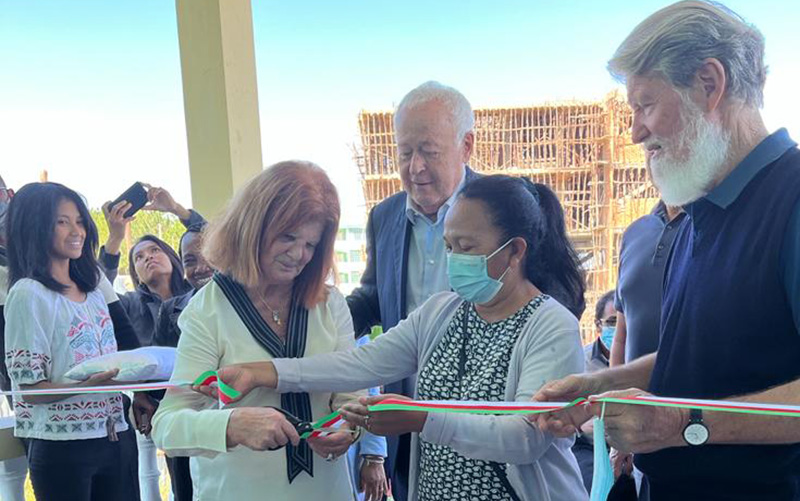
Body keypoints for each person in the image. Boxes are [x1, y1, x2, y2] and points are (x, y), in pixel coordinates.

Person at [535, 2, 800, 499]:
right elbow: (696, 356)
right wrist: (599, 385)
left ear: (709, 84)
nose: (635, 131)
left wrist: (681, 423)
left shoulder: (791, 198)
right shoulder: (701, 211)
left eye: (645, 105)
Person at [204, 175, 590, 501]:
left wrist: (420, 418)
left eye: (467, 248)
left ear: (515, 251)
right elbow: (360, 364)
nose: (454, 258)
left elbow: (526, 437)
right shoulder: (442, 313)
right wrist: (265, 372)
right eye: (449, 246)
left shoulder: (550, 326)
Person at [346, 81, 587, 501]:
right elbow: (372, 299)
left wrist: (503, 354)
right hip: (413, 434)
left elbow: (551, 295)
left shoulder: (503, 206)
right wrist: (314, 322)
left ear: (466, 146)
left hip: (497, 435)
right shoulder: (385, 216)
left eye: (429, 151)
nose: (415, 167)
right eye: (404, 152)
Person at [151, 161, 363, 500]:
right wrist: (231, 426)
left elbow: (351, 393)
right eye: (288, 237)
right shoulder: (207, 310)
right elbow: (166, 427)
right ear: (253, 227)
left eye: (311, 245)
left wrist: (348, 428)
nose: (298, 255)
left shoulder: (330, 304)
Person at [3, 182, 139, 501]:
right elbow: (30, 389)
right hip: (62, 449)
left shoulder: (93, 292)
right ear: (34, 227)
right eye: (61, 222)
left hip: (115, 435)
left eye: (79, 220)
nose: (76, 231)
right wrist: (90, 383)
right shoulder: (28, 294)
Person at [100, 185, 202, 501]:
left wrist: (177, 210)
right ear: (136, 273)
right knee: (183, 486)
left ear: (172, 257)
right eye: (139, 257)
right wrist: (115, 238)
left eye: (154, 250)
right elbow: (97, 287)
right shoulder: (130, 305)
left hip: (210, 396)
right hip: (164, 408)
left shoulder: (201, 292)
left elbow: (215, 243)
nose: (148, 258)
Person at [608, 201, 685, 497]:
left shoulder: (717, 227)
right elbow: (622, 336)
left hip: (700, 431)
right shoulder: (636, 232)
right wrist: (617, 430)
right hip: (639, 434)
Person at [152, 222, 213, 501]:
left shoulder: (248, 308)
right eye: (190, 260)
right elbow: (157, 370)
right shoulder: (170, 310)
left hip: (231, 423)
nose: (201, 267)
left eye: (209, 256)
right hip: (185, 419)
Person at [572, 290, 616, 493]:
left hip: (634, 446)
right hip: (590, 447)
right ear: (598, 325)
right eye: (612, 322)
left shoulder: (640, 360)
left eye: (624, 322)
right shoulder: (580, 361)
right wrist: (581, 427)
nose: (619, 328)